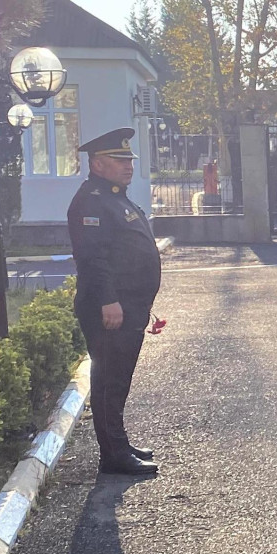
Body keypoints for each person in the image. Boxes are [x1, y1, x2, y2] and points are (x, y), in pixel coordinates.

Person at [68, 128, 161, 476]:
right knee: (109, 379)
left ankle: (118, 443)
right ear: (97, 164)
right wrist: (109, 300)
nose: (128, 165)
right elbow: (93, 257)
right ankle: (113, 456)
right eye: (119, 160)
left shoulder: (115, 197)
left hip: (128, 305)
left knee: (118, 378)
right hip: (110, 308)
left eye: (129, 159)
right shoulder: (92, 200)